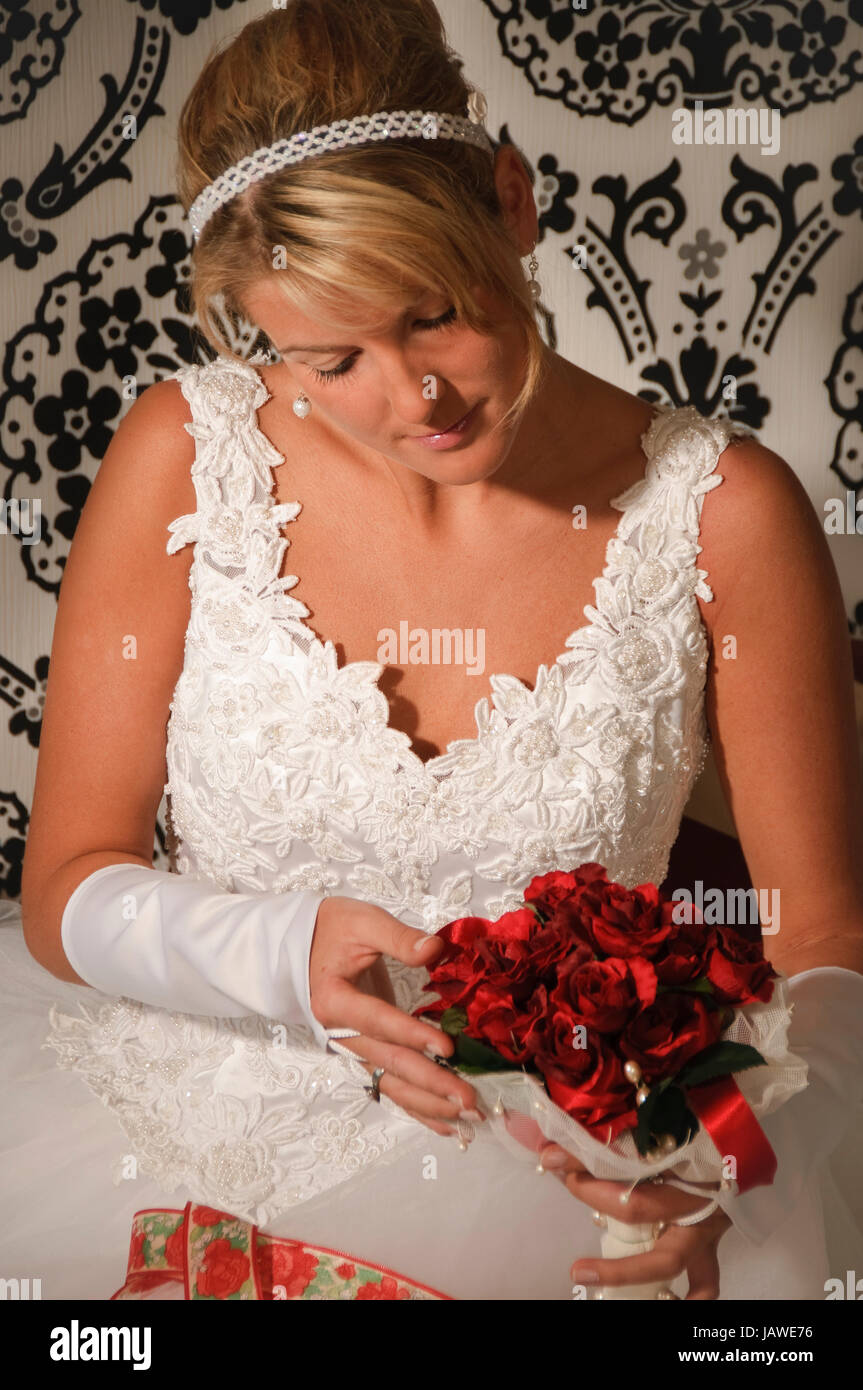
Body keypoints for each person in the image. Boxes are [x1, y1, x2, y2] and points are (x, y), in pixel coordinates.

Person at [8, 0, 863, 1301]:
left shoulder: (726, 510)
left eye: (440, 312)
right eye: (332, 357)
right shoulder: (184, 456)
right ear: (250, 326)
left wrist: (735, 1154)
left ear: (511, 203)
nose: (417, 396)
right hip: (196, 1153)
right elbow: (66, 891)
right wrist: (278, 955)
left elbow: (824, 941)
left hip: (567, 1181)